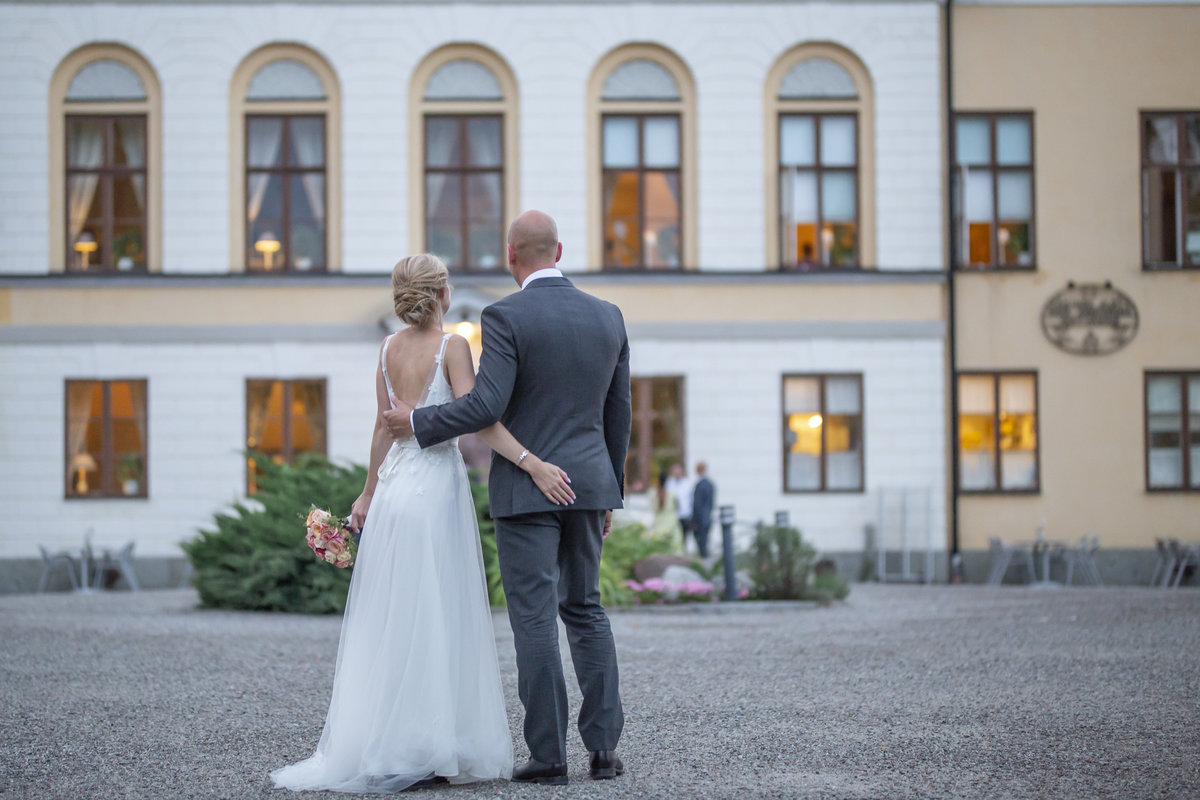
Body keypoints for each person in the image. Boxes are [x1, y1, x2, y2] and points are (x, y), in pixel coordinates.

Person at [270, 254, 576, 794]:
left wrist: (367, 492)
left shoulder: (387, 348)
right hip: (435, 489)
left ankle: (390, 743)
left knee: (396, 616)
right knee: (439, 613)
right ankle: (434, 746)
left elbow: (383, 428)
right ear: (440, 294)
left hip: (393, 492)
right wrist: (530, 461)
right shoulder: (453, 346)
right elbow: (479, 417)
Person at [385, 210, 631, 786]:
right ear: (561, 250)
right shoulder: (609, 316)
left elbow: (486, 408)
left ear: (511, 257)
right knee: (587, 610)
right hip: (589, 485)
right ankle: (604, 752)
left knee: (535, 620)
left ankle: (548, 758)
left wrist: (417, 421)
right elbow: (617, 413)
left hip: (526, 490)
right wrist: (609, 492)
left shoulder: (504, 316)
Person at [664, 461, 694, 553]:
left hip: (685, 515)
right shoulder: (669, 483)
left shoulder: (687, 483)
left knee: (684, 537)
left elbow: (691, 500)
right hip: (673, 515)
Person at [691, 462, 715, 558]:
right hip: (707, 517)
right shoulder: (710, 484)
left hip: (700, 518)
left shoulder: (700, 485)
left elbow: (697, 504)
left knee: (701, 544)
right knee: (704, 542)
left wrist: (694, 519)